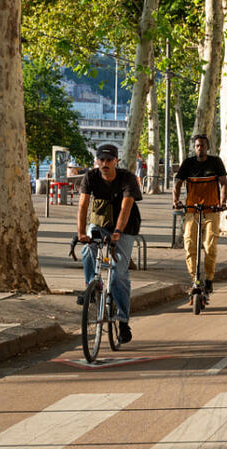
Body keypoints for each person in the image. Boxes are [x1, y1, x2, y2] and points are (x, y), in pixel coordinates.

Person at [76, 144, 141, 343]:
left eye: (108, 160)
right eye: (101, 160)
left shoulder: (127, 178)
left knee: (118, 273)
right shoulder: (90, 177)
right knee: (88, 250)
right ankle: (92, 288)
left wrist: (117, 233)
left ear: (116, 161)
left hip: (126, 226)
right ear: (97, 161)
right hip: (100, 222)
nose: (104, 164)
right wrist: (80, 232)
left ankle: (122, 322)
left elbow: (126, 208)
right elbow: (83, 204)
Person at [172, 134, 227, 293]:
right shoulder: (188, 163)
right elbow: (177, 184)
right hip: (192, 210)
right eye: (197, 146)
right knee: (189, 245)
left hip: (211, 210)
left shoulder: (215, 162)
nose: (200, 148)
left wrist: (222, 203)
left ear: (207, 147)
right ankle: (194, 278)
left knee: (210, 246)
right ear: (194, 147)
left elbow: (223, 183)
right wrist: (175, 201)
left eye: (203, 145)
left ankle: (209, 278)